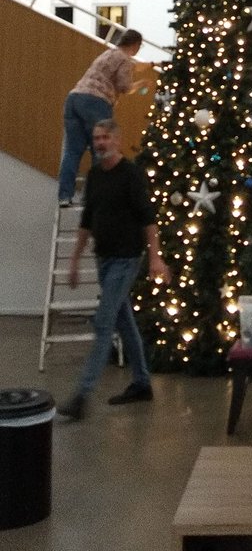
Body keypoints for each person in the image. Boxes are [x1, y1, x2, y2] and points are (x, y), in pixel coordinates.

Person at [58, 119, 170, 420]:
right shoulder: (94, 176)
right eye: (96, 138)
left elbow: (148, 218)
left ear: (117, 140)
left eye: (105, 137)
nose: (100, 143)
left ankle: (81, 395)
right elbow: (87, 221)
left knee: (104, 321)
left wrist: (155, 258)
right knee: (125, 322)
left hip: (126, 259)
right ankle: (142, 383)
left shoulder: (130, 175)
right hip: (104, 259)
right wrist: (74, 260)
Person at [58, 28, 143, 204]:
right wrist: (140, 84)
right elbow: (125, 87)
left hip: (74, 98)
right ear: (135, 46)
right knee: (101, 149)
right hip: (96, 102)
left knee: (72, 151)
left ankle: (65, 195)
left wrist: (147, 66)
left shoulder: (108, 54)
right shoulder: (125, 60)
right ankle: (92, 196)